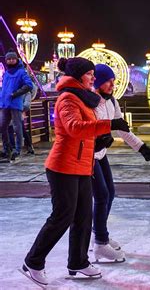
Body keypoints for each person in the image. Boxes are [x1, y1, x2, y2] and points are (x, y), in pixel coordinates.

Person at [21, 57, 130, 287]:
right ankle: (33, 262)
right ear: (80, 76)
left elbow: (88, 131)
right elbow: (74, 128)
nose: (93, 77)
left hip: (82, 165)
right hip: (63, 167)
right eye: (90, 74)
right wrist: (108, 126)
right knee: (62, 216)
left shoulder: (85, 97)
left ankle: (78, 262)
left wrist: (102, 139)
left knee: (83, 216)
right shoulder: (68, 98)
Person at [91, 64, 150, 262]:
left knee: (110, 193)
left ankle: (99, 234)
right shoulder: (91, 102)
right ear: (98, 81)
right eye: (108, 81)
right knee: (101, 196)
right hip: (89, 155)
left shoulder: (112, 101)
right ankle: (100, 243)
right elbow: (88, 128)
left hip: (101, 154)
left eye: (113, 80)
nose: (112, 84)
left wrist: (141, 147)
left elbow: (122, 128)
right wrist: (100, 138)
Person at [0, 50, 33, 161]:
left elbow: (29, 85)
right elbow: (4, 89)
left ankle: (17, 149)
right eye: (8, 59)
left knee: (17, 127)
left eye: (13, 58)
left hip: (15, 104)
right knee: (2, 126)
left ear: (16, 59)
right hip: (4, 104)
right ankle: (6, 148)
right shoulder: (6, 73)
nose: (11, 60)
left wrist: (15, 94)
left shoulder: (21, 72)